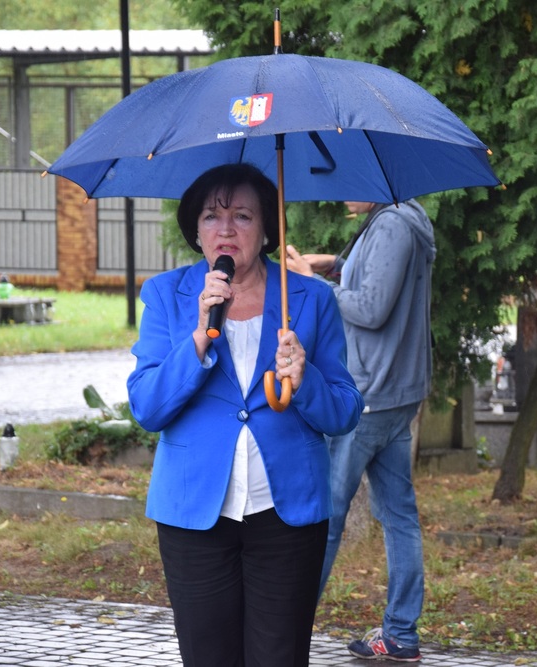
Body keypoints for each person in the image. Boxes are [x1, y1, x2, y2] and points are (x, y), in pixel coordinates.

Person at [127, 163, 363, 667]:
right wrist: (195, 340)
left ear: (267, 230)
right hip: (194, 511)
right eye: (212, 216)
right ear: (195, 229)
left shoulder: (311, 299)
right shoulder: (167, 295)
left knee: (279, 656)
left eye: (243, 216)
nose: (226, 229)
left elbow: (345, 410)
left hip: (287, 513)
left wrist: (306, 378)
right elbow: (147, 406)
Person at [287, 199, 435, 662]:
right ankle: (400, 634)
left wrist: (313, 285)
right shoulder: (399, 218)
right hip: (394, 393)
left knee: (325, 519)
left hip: (371, 395)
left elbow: (371, 308)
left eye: (353, 185)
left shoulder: (392, 224)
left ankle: (286, 631)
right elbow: (373, 274)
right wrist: (330, 264)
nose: (343, 194)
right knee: (398, 515)